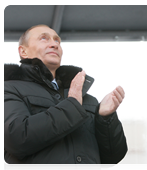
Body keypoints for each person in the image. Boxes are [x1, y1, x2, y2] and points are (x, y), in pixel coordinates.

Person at [4, 24, 127, 170]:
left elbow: (110, 158)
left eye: (57, 41)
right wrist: (72, 105)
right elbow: (17, 139)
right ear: (23, 51)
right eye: (44, 38)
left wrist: (105, 118)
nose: (54, 44)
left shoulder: (86, 98)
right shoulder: (8, 88)